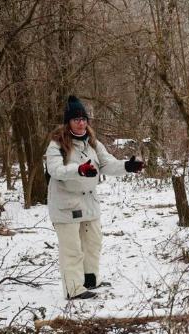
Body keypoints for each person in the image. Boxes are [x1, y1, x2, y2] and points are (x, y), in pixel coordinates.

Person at [45, 96, 145, 300]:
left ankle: (90, 279)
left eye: (84, 119)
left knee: (93, 243)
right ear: (68, 122)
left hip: (89, 203)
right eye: (76, 119)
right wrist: (79, 170)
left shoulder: (93, 143)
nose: (81, 123)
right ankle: (73, 288)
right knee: (72, 249)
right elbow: (55, 170)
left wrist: (128, 166)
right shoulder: (57, 145)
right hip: (65, 205)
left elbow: (108, 163)